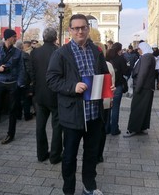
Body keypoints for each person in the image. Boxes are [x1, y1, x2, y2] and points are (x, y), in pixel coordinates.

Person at [46, 14, 112, 195]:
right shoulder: (60, 53)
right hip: (73, 115)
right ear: (70, 31)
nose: (80, 31)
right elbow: (51, 80)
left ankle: (89, 186)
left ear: (88, 28)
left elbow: (104, 73)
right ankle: (68, 190)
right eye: (76, 28)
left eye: (83, 27)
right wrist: (72, 86)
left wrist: (108, 84)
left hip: (94, 114)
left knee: (91, 155)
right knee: (69, 157)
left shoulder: (97, 51)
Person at [30, 27, 63, 164]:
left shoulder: (35, 52)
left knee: (40, 126)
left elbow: (31, 74)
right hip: (56, 95)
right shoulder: (59, 52)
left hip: (40, 95)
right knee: (57, 127)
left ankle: (41, 154)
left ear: (43, 38)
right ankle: (55, 156)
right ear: (55, 38)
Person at [0, 29, 24, 145]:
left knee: (12, 111)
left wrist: (19, 83)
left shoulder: (18, 52)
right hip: (0, 83)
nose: (16, 38)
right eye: (14, 36)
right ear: (8, 37)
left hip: (13, 84)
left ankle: (10, 134)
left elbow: (21, 69)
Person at [123, 41, 156, 137]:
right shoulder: (149, 56)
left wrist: (137, 88)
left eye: (139, 49)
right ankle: (142, 127)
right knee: (144, 109)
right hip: (146, 87)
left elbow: (142, 73)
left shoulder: (146, 57)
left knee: (136, 108)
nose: (138, 51)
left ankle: (132, 129)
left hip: (142, 87)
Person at [106, 42, 130, 135]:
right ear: (119, 50)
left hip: (107, 86)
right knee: (115, 108)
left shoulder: (106, 58)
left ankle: (106, 128)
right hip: (117, 86)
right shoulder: (120, 59)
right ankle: (114, 129)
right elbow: (125, 72)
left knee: (107, 108)